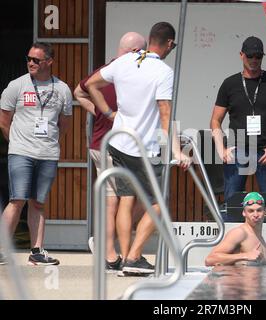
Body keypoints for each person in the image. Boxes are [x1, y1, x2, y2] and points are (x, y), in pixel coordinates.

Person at [86, 22, 190, 275]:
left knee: (127, 199)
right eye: (172, 45)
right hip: (144, 148)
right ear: (167, 43)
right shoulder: (163, 71)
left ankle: (126, 258)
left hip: (119, 142)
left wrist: (110, 113)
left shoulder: (123, 62)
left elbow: (91, 85)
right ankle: (133, 257)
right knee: (159, 202)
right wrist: (176, 150)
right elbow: (165, 112)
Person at [74, 32, 147, 272]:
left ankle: (108, 251)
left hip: (106, 144)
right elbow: (78, 93)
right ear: (136, 51)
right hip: (113, 145)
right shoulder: (124, 72)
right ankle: (113, 253)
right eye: (143, 52)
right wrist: (104, 112)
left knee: (120, 200)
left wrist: (99, 110)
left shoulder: (106, 70)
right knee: (124, 199)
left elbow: (79, 91)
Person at [0, 42, 72, 265]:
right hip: (20, 151)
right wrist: (17, 144)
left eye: (36, 60)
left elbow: (65, 124)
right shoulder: (16, 85)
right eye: (29, 58)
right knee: (17, 200)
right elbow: (4, 121)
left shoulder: (62, 89)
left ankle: (37, 251)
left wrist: (50, 142)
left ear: (49, 62)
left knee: (38, 203)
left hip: (48, 153)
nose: (31, 63)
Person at [210, 36, 266, 209]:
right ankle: (234, 235)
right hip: (237, 151)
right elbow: (215, 120)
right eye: (250, 55)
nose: (254, 60)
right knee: (232, 203)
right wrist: (221, 149)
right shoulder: (230, 84)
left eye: (258, 56)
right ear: (241, 55)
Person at [205, 192, 266, 266]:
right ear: (244, 213)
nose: (255, 215)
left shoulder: (259, 237)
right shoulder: (240, 233)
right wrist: (245, 256)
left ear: (265, 212)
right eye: (251, 211)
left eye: (259, 210)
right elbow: (210, 259)